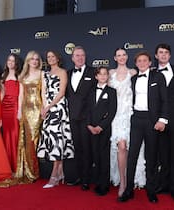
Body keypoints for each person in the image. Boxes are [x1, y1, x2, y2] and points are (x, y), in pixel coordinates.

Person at [118, 52, 168, 203]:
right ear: (136, 63)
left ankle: (151, 190)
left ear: (150, 62)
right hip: (136, 120)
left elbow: (165, 100)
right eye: (139, 61)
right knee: (132, 156)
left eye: (144, 60)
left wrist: (162, 120)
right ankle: (129, 190)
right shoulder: (133, 79)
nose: (141, 63)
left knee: (151, 156)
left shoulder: (158, 77)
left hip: (152, 121)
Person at [108, 48, 146, 198]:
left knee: (133, 148)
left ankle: (132, 179)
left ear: (127, 57)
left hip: (132, 115)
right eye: (118, 55)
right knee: (121, 146)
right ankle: (123, 182)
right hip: (116, 117)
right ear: (115, 58)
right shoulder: (110, 74)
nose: (121, 57)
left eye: (124, 54)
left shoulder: (134, 73)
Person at [37, 50, 74, 188]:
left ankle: (54, 175)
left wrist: (49, 106)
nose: (51, 59)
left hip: (59, 108)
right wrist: (43, 107)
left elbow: (62, 92)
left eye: (53, 56)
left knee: (58, 139)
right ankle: (59, 172)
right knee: (52, 140)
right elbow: (44, 91)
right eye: (48, 57)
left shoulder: (63, 72)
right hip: (48, 108)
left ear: (58, 58)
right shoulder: (44, 73)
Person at [154, 43, 174, 203]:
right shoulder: (151, 73)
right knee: (163, 154)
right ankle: (163, 184)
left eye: (166, 52)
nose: (164, 55)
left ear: (170, 55)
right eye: (161, 52)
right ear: (156, 56)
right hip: (158, 119)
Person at [65, 46, 96, 190]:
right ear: (72, 58)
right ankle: (79, 176)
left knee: (87, 149)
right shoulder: (68, 73)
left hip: (87, 118)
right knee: (77, 148)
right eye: (77, 55)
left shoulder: (92, 72)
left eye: (82, 55)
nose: (80, 58)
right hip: (72, 118)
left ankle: (86, 179)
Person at [86, 67, 117, 196]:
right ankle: (98, 182)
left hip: (104, 129)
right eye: (101, 74)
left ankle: (104, 184)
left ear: (107, 76)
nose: (103, 76)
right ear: (96, 76)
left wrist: (101, 126)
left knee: (104, 156)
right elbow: (87, 109)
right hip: (91, 128)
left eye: (105, 74)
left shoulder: (111, 91)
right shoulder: (91, 91)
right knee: (96, 155)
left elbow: (112, 111)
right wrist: (89, 125)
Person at [15, 51, 43, 183]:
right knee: (26, 140)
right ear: (28, 61)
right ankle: (27, 170)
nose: (35, 61)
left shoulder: (42, 74)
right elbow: (20, 95)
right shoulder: (23, 75)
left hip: (37, 110)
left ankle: (34, 171)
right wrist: (19, 111)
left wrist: (44, 108)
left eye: (37, 59)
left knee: (34, 140)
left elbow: (44, 93)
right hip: (26, 110)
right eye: (32, 59)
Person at [1, 53, 22, 173]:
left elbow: (21, 94)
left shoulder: (19, 75)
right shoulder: (3, 75)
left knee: (14, 136)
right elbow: (1, 94)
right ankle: (7, 165)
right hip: (5, 108)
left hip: (15, 107)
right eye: (9, 60)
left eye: (13, 61)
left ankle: (16, 166)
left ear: (16, 63)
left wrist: (19, 110)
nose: (10, 62)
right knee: (6, 135)